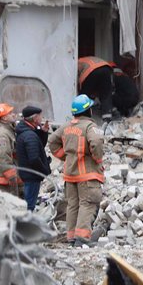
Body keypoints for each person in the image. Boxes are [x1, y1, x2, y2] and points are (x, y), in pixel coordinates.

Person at [48, 94, 105, 247]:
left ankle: (72, 237)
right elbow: (97, 142)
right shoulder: (89, 127)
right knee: (88, 204)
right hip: (87, 175)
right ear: (88, 111)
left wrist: (65, 157)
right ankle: (83, 239)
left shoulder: (66, 127)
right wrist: (97, 158)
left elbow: (52, 140)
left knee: (72, 205)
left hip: (70, 175)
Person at [15, 105, 51, 211]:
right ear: (35, 118)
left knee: (28, 203)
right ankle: (25, 226)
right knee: (29, 205)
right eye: (40, 116)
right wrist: (44, 171)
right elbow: (34, 158)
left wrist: (43, 132)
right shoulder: (30, 135)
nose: (42, 118)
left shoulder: (27, 131)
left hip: (28, 174)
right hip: (32, 175)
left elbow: (38, 146)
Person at [0, 103, 21, 195]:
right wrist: (11, 176)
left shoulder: (9, 131)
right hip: (5, 180)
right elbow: (2, 156)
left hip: (8, 179)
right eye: (10, 113)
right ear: (4, 118)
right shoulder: (2, 135)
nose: (13, 114)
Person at [77, 56, 114, 121]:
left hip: (91, 70)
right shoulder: (86, 59)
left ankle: (82, 115)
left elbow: (77, 80)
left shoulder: (77, 62)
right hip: (106, 68)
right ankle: (107, 117)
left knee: (84, 94)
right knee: (106, 94)